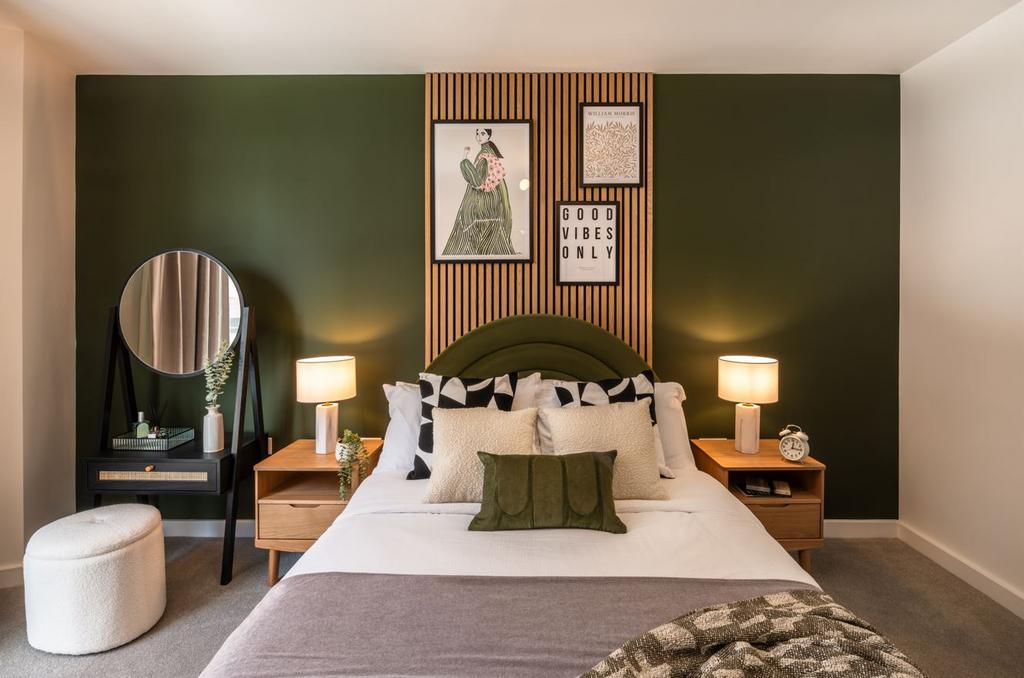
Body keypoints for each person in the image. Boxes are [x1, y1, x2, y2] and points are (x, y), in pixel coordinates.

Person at [442, 128, 516, 256]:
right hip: (492, 201)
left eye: (482, 133)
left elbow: (477, 181)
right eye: (477, 133)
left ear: (489, 136)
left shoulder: (484, 156)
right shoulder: (489, 153)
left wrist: (464, 158)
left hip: (483, 203)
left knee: (470, 226)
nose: (479, 136)